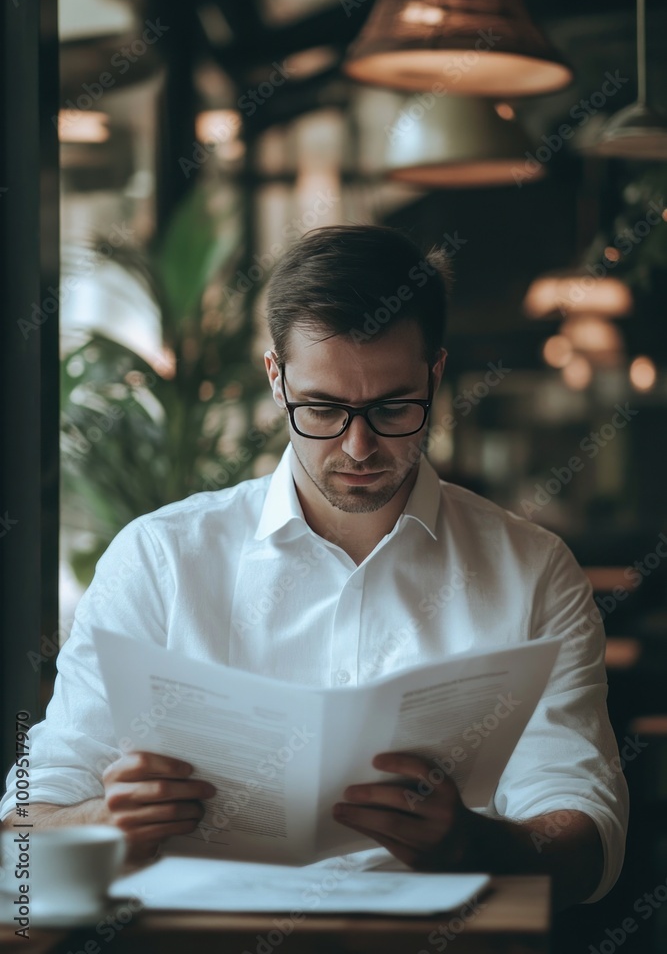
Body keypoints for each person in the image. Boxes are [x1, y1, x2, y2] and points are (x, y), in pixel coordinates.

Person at [1, 224, 627, 910]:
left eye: (393, 408)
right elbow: (19, 832)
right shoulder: (160, 558)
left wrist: (474, 843)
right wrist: (102, 824)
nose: (358, 446)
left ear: (435, 376)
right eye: (323, 408)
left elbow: (588, 840)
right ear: (276, 379)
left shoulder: (531, 570)